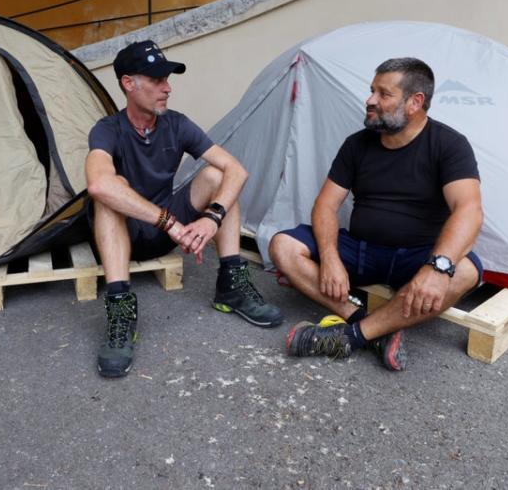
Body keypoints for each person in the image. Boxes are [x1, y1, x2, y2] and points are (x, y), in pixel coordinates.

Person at [269, 57, 484, 371]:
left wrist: (437, 269)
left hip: (417, 257)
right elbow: (326, 205)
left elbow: (470, 210)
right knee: (282, 246)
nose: (370, 101)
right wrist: (329, 258)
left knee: (465, 271)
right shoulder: (357, 145)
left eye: (383, 94)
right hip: (361, 251)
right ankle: (368, 325)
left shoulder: (449, 145)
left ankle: (352, 336)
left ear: (415, 102)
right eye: (372, 91)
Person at [85, 40, 283, 378]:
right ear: (128, 84)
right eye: (157, 80)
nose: (167, 88)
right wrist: (170, 223)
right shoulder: (107, 130)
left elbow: (237, 170)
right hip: (122, 235)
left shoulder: (178, 124)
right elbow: (98, 185)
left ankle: (231, 284)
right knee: (108, 192)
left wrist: (211, 218)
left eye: (168, 79)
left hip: (163, 232)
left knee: (218, 176)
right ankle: (120, 309)